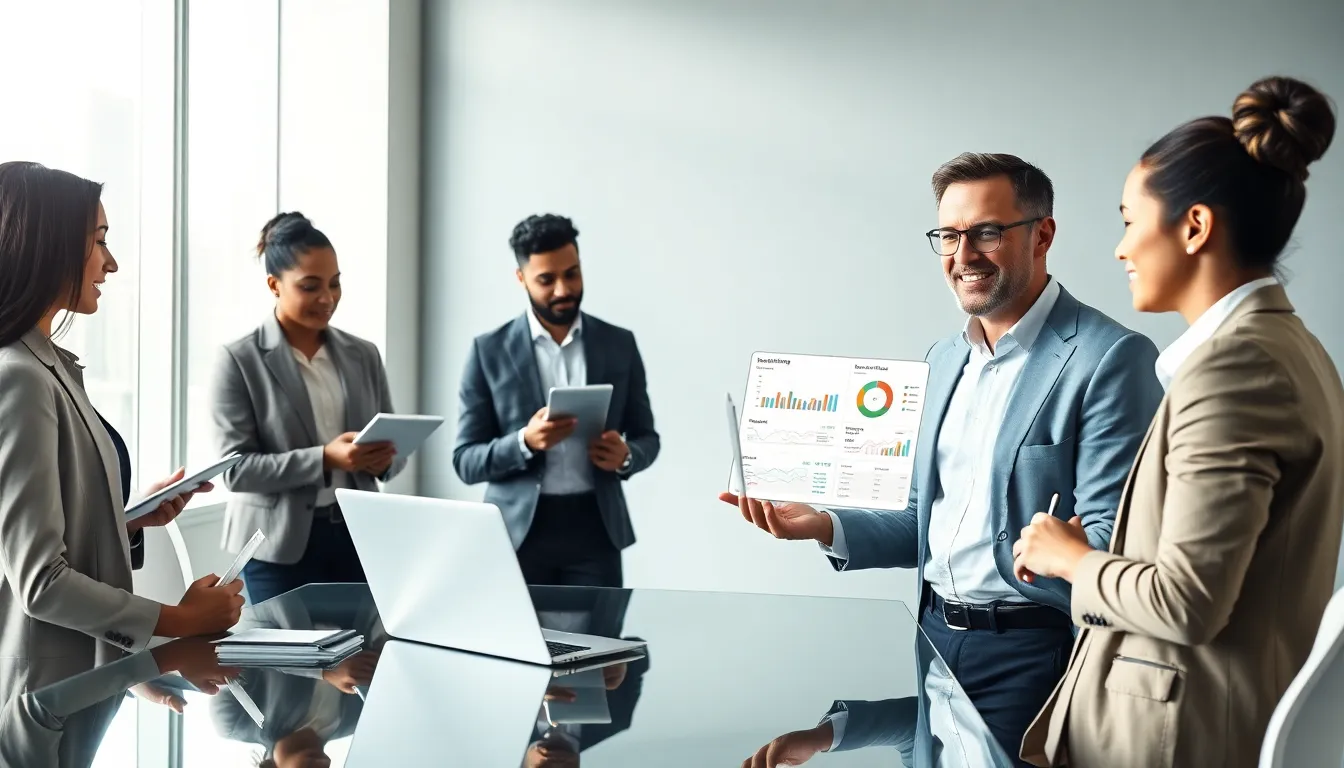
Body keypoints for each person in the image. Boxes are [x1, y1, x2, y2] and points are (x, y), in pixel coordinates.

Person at [721, 153, 1166, 762]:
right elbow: (921, 522)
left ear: (1043, 234)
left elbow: (1112, 542)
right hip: (930, 635)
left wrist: (1048, 553)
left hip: (1039, 656)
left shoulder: (1110, 358)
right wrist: (823, 524)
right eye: (948, 236)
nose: (964, 255)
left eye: (986, 232)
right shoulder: (940, 360)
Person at [1016, 76, 1343, 768]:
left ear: (1194, 227)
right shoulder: (1290, 350)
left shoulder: (1236, 371)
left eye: (1130, 221)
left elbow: (1187, 603)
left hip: (1175, 741)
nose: (1120, 248)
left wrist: (1069, 560)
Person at [0, 161, 244, 694]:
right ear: (50, 246)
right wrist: (180, 620)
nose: (109, 264)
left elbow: (45, 531)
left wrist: (127, 520)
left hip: (73, 684)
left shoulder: (45, 367)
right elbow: (40, 583)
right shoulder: (19, 378)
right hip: (41, 691)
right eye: (99, 241)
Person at [454, 214, 659, 588]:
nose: (563, 289)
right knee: (512, 646)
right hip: (516, 535)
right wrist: (524, 442)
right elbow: (465, 461)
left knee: (603, 644)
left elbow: (648, 437)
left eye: (572, 273)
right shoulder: (488, 351)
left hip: (596, 531)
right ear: (521, 278)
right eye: (547, 280)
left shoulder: (619, 344)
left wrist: (626, 455)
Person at [212, 212, 406, 605]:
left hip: (356, 538)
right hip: (276, 547)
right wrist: (325, 459)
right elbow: (235, 471)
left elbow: (392, 454)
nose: (327, 298)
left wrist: (382, 459)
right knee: (289, 664)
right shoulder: (239, 359)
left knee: (362, 657)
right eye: (310, 286)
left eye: (335, 284)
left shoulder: (363, 354)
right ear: (274, 285)